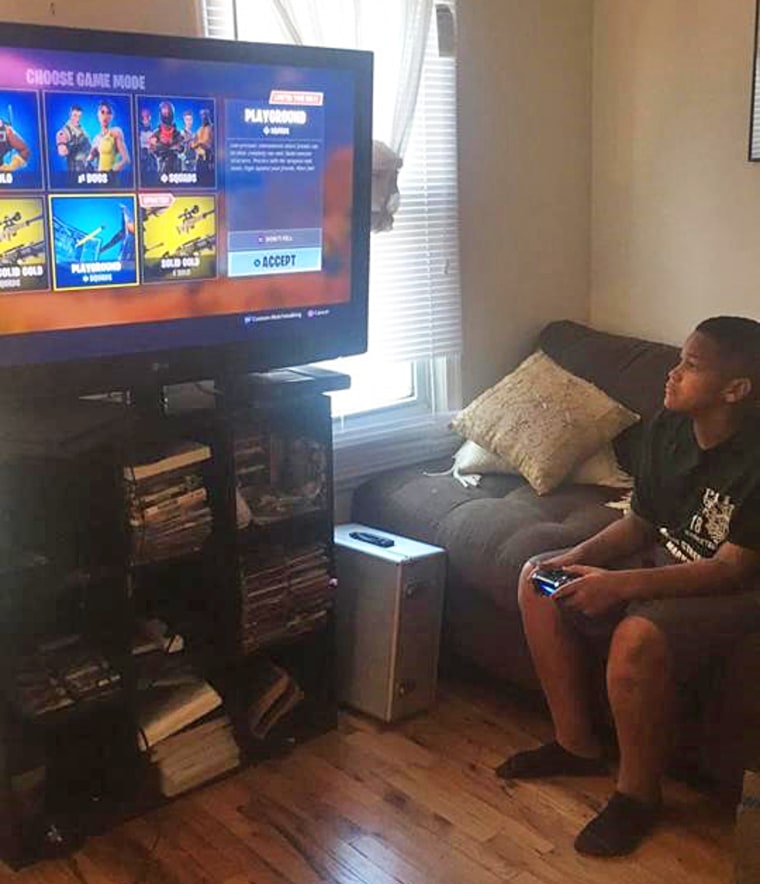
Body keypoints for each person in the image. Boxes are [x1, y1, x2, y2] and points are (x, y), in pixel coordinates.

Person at [497, 316, 760, 857]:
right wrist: (572, 559)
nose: (673, 373)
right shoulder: (670, 423)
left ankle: (638, 796)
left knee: (636, 636)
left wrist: (618, 587)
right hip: (670, 554)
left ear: (735, 390)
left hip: (737, 587)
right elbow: (640, 523)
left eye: (691, 365)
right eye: (679, 358)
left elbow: (732, 569)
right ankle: (576, 745)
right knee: (539, 581)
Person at [88, 100, 130, 182]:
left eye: (108, 113)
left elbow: (126, 159)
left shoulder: (115, 132)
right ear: (98, 115)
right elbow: (90, 159)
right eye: (102, 112)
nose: (105, 116)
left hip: (112, 181)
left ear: (112, 116)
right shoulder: (96, 138)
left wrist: (112, 172)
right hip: (99, 181)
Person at [56, 104, 91, 184]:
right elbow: (61, 152)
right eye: (75, 115)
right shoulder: (65, 132)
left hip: (87, 168)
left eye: (79, 116)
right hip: (76, 169)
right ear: (70, 114)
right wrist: (76, 146)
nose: (77, 119)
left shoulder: (81, 129)